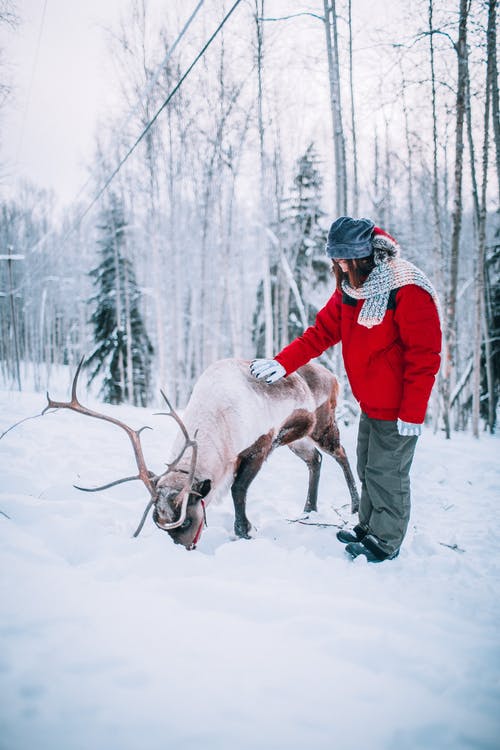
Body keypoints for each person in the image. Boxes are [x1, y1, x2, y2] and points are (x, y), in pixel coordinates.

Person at [250, 216, 442, 563]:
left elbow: (424, 356)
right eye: (335, 259)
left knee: (388, 473)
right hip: (372, 402)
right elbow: (320, 333)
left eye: (342, 259)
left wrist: (412, 412)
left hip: (399, 408)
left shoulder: (406, 287)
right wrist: (283, 363)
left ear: (362, 255)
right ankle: (369, 527)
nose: (337, 266)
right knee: (370, 466)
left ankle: (385, 541)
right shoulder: (353, 288)